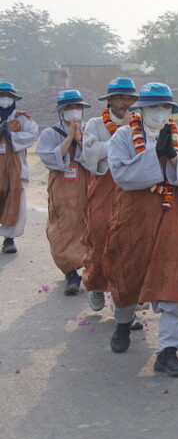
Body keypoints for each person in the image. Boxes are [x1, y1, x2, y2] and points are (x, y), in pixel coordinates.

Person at [104, 82, 178, 377]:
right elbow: (123, 176)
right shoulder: (123, 137)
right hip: (134, 217)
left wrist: (174, 156)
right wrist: (154, 156)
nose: (160, 112)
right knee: (127, 274)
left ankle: (167, 352)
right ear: (140, 110)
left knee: (172, 280)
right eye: (154, 106)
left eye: (165, 107)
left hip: (172, 216)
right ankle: (123, 322)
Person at [80, 77, 138, 312]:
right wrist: (121, 135)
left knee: (126, 243)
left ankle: (122, 301)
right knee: (99, 236)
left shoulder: (138, 121)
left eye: (130, 98)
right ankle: (95, 285)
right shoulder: (95, 124)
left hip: (130, 188)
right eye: (122, 98)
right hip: (103, 186)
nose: (126, 103)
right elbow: (90, 152)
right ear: (111, 100)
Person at [36, 90, 93, 294]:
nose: (74, 111)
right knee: (63, 224)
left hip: (87, 182)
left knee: (87, 223)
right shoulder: (50, 133)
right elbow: (50, 160)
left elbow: (94, 160)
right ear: (61, 112)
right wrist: (69, 138)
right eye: (68, 108)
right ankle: (70, 271)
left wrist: (81, 141)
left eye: (77, 107)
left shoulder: (90, 130)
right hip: (62, 184)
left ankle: (88, 266)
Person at [0, 81, 39, 255]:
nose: (6, 99)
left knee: (14, 198)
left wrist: (10, 135)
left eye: (9, 96)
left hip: (15, 165)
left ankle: (9, 239)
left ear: (14, 98)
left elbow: (32, 134)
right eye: (2, 96)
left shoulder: (23, 118)